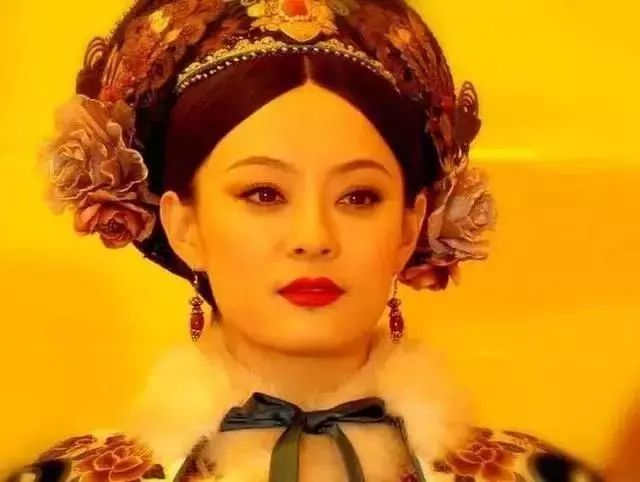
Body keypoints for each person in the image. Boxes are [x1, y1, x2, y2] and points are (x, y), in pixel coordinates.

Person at [5, 0, 604, 481]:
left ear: (410, 225)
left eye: (359, 197)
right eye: (264, 193)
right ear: (184, 226)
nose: (313, 238)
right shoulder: (74, 475)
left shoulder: (528, 473)